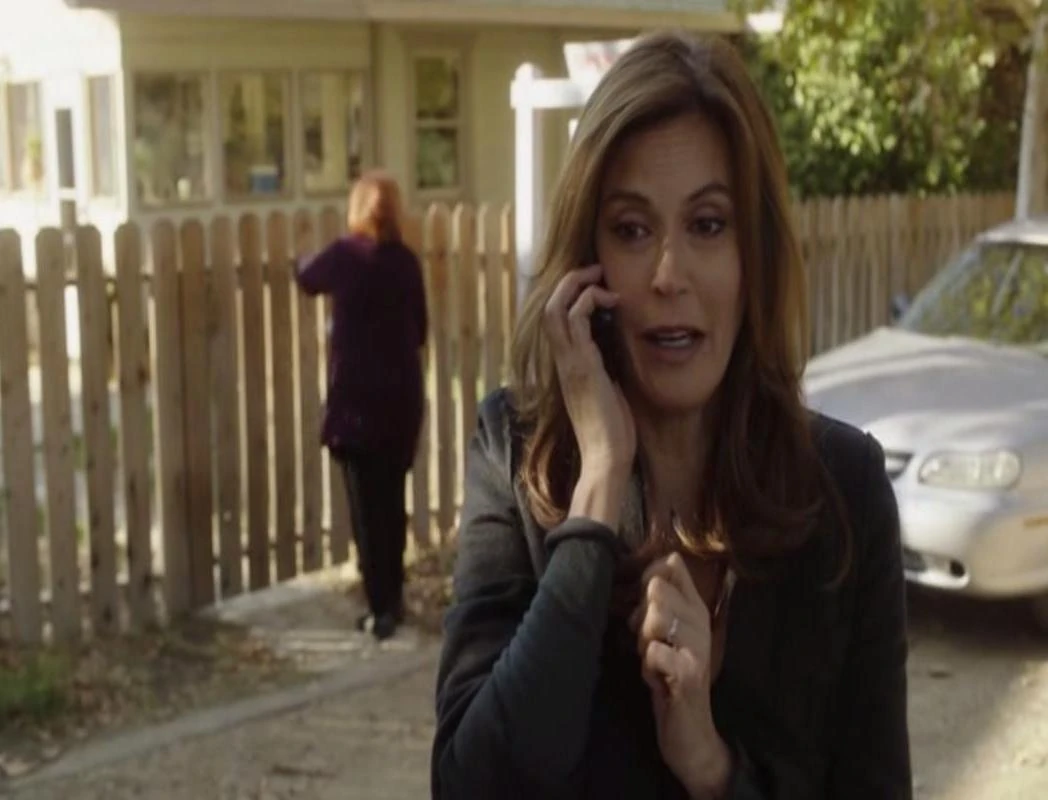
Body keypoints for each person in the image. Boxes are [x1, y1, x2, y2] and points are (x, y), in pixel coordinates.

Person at [431, 30, 911, 799]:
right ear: (586, 264)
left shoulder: (844, 492)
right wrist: (595, 496)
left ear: (753, 256)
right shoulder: (515, 453)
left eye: (708, 225)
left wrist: (712, 767)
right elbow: (471, 785)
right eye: (631, 229)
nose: (667, 273)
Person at [296, 170, 428, 642]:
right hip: (400, 402)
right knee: (392, 503)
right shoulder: (406, 262)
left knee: (366, 511)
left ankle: (380, 610)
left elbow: (306, 277)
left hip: (355, 407)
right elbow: (420, 329)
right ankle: (394, 600)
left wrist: (298, 257)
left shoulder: (344, 255)